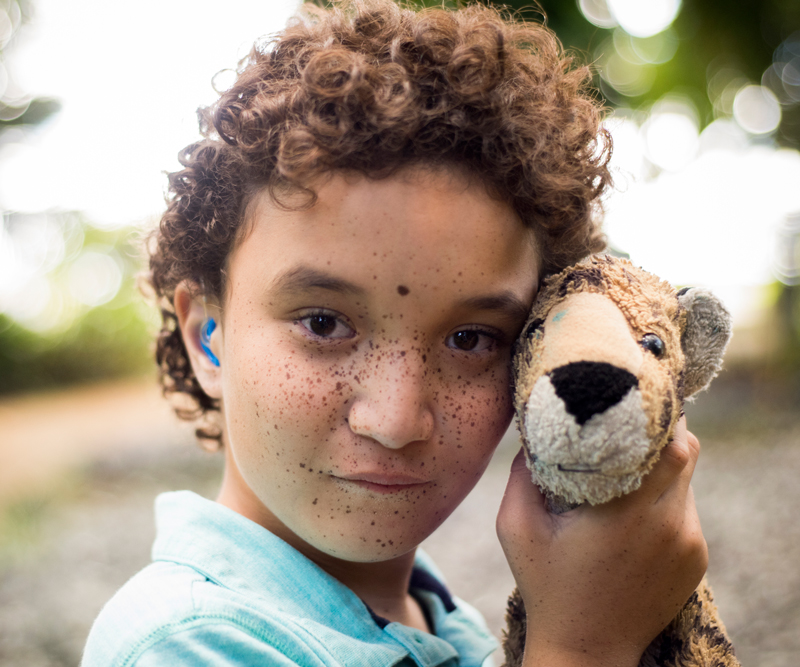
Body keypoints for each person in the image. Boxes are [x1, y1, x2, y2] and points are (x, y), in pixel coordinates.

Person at [82, 1, 708, 665]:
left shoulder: (441, 620)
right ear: (208, 333)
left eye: (471, 339)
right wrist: (586, 644)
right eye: (324, 323)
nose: (397, 418)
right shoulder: (181, 640)